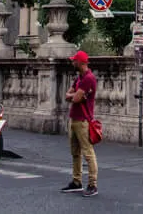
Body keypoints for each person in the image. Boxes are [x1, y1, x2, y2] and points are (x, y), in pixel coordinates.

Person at [60, 51, 98, 197]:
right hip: (74, 119)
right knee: (75, 152)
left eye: (74, 61)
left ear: (81, 63)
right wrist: (74, 95)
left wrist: (75, 95)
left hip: (83, 120)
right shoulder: (79, 78)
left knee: (88, 153)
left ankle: (92, 184)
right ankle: (77, 181)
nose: (72, 63)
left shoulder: (88, 79)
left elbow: (75, 98)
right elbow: (68, 95)